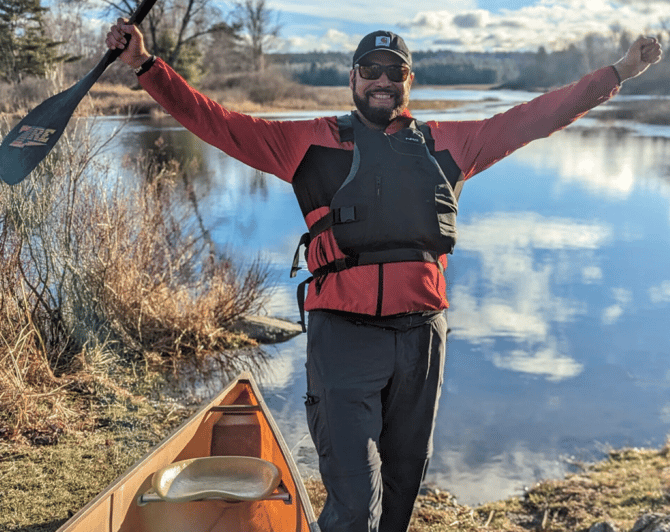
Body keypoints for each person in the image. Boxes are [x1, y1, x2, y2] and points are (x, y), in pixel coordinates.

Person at [106, 23, 661, 532]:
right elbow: (217, 123)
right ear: (351, 78)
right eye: (370, 69)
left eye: (394, 71)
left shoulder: (451, 143)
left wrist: (619, 72)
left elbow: (539, 116)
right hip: (343, 339)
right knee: (353, 501)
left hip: (422, 339)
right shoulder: (308, 143)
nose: (382, 80)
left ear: (408, 82)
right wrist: (147, 65)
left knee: (400, 493)